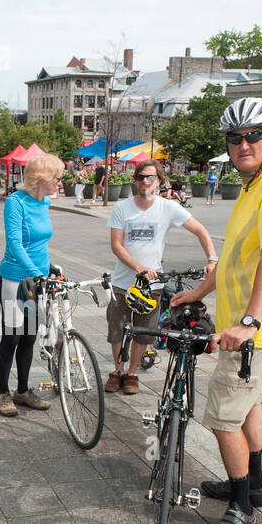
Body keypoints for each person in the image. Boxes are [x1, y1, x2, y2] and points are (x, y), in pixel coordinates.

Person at [168, 98, 262, 524]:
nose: (243, 144)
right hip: (244, 329)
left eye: (252, 136)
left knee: (223, 417)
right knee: (249, 404)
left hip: (252, 333)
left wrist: (249, 321)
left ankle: (241, 506)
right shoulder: (252, 186)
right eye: (235, 137)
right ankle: (253, 484)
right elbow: (234, 259)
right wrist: (198, 292)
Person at [104, 158, 218, 396]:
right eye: (140, 177)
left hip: (152, 285)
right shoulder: (122, 208)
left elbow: (200, 230)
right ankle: (117, 371)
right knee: (117, 330)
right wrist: (139, 267)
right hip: (123, 283)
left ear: (159, 180)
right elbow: (116, 246)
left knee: (144, 333)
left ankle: (132, 374)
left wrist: (212, 259)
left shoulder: (168, 207)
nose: (145, 182)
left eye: (150, 177)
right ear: (135, 181)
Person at [0, 152, 64, 416]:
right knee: (11, 336)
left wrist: (49, 267)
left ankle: (22, 391)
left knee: (29, 336)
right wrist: (37, 273)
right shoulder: (15, 202)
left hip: (36, 278)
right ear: (42, 179)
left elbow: (40, 243)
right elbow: (15, 244)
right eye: (57, 178)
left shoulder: (45, 201)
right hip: (14, 278)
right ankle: (3, 392)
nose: (60, 182)